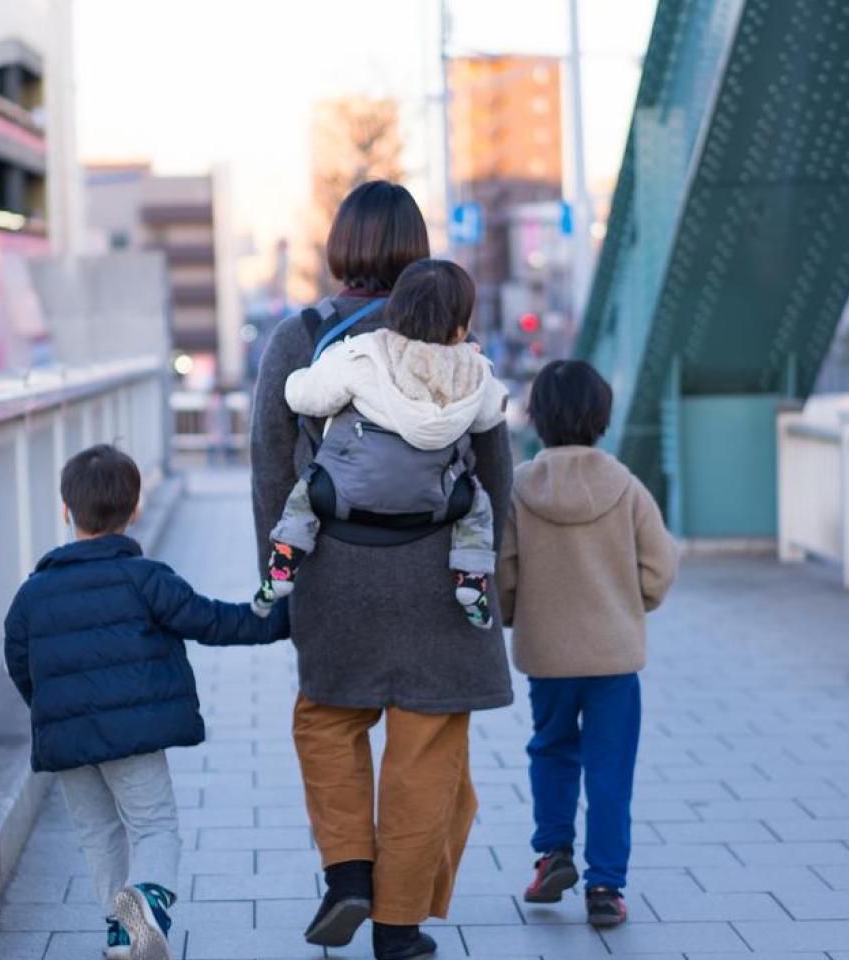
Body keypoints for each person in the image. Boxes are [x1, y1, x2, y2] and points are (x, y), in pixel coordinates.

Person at [251, 180, 514, 960]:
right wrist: (490, 576)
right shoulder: (458, 345)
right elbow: (498, 469)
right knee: (428, 749)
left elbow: (271, 466)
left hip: (338, 573)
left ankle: (348, 875)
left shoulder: (300, 339)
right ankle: (398, 928)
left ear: (340, 246)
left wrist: (278, 578)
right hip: (441, 576)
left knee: (326, 720)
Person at [4, 444, 290, 960]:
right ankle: (145, 900)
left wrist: (52, 713)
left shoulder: (32, 593)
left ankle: (121, 932)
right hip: (132, 735)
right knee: (153, 824)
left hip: (67, 737)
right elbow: (211, 621)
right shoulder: (146, 579)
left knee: (97, 834)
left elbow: (20, 664)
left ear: (65, 511)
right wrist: (280, 620)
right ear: (135, 511)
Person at [497, 360, 679, 928]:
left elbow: (501, 571)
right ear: (601, 417)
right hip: (613, 655)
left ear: (537, 418)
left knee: (551, 748)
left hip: (547, 655)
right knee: (610, 767)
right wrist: (633, 603)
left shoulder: (520, 489)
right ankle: (605, 887)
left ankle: (553, 855)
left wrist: (515, 614)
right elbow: (661, 566)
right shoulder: (625, 487)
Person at [252, 258, 509, 628]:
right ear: (461, 328)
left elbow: (305, 397)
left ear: (396, 313)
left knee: (304, 495)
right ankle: (471, 579)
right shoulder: (471, 370)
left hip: (344, 490)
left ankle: (284, 561)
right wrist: (475, 368)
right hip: (439, 499)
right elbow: (491, 415)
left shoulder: (364, 354)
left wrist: (295, 381)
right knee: (478, 507)